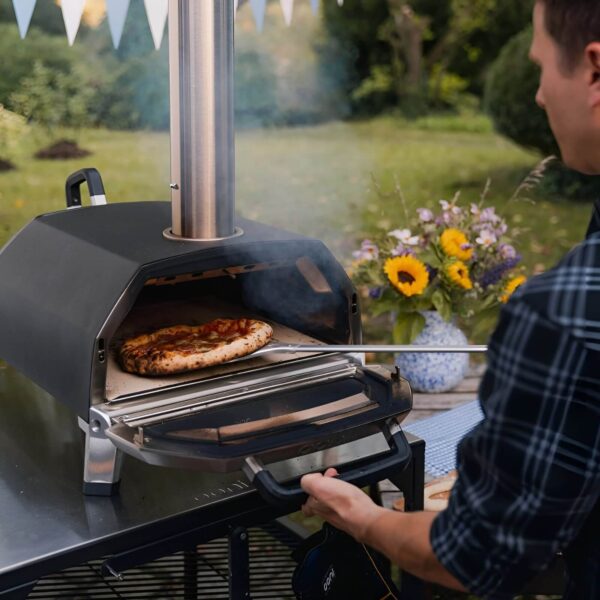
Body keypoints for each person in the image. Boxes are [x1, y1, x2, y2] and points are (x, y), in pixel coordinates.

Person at [300, 1, 600, 597]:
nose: (539, 94)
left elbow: (472, 560)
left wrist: (363, 516)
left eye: (542, 67)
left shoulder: (563, 314)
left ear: (594, 70)